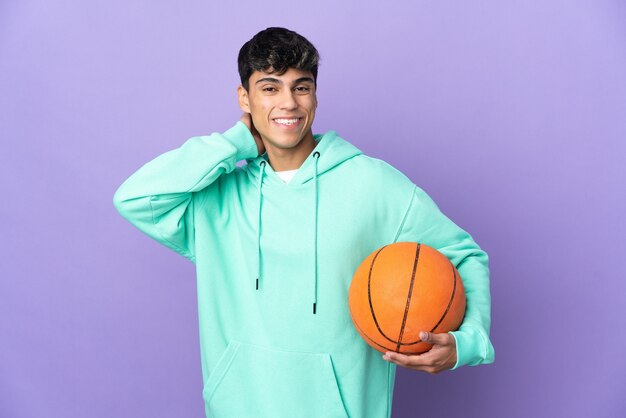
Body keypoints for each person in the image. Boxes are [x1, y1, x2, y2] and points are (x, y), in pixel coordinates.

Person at [113, 27, 495, 418]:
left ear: (314, 95)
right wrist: (235, 142)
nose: (288, 103)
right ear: (244, 98)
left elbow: (462, 254)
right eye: (269, 88)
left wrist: (466, 342)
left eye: (301, 87)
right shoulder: (214, 198)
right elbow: (135, 198)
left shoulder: (373, 185)